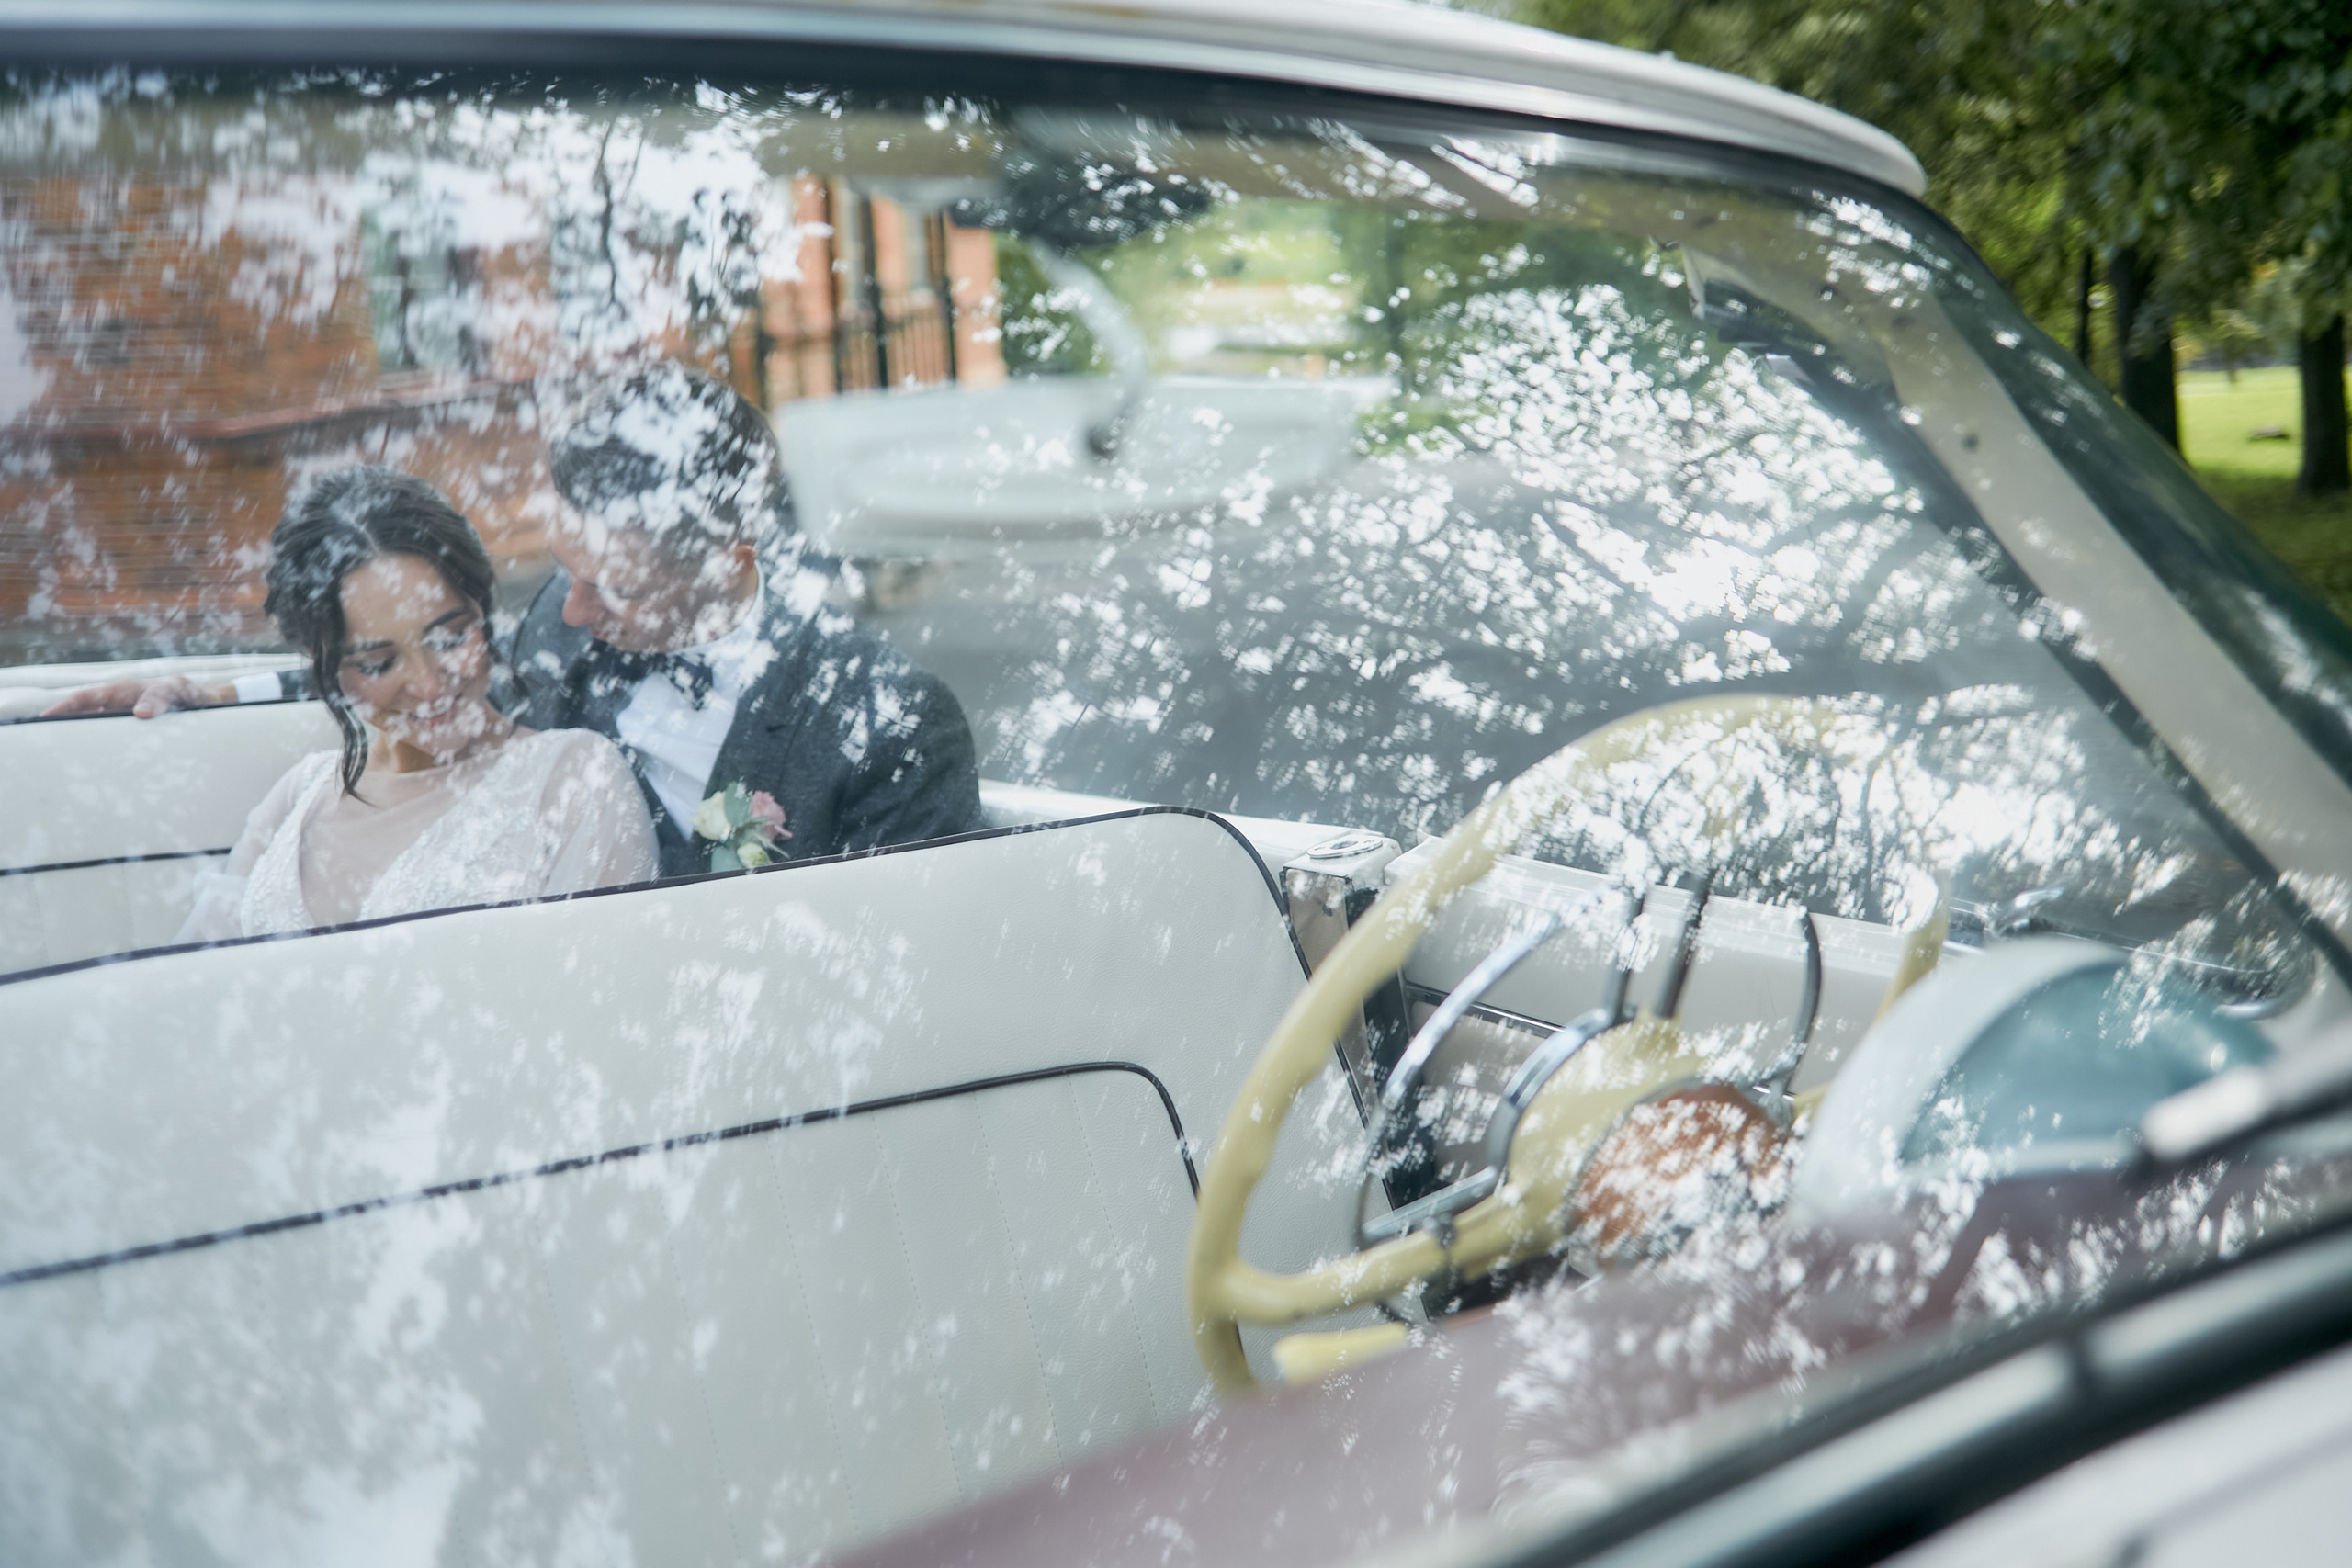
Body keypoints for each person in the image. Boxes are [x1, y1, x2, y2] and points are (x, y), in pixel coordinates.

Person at [51, 363, 982, 880]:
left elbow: (904, 962)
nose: (571, 613)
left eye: (611, 593)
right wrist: (217, 689)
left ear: (727, 562)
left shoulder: (890, 728)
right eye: (565, 573)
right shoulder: (564, 618)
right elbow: (432, 671)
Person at [177, 468, 658, 941]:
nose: (429, 685)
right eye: (378, 664)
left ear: (482, 610)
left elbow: (603, 988)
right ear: (325, 666)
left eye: (450, 637)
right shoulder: (296, 796)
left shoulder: (575, 780)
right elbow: (200, 983)